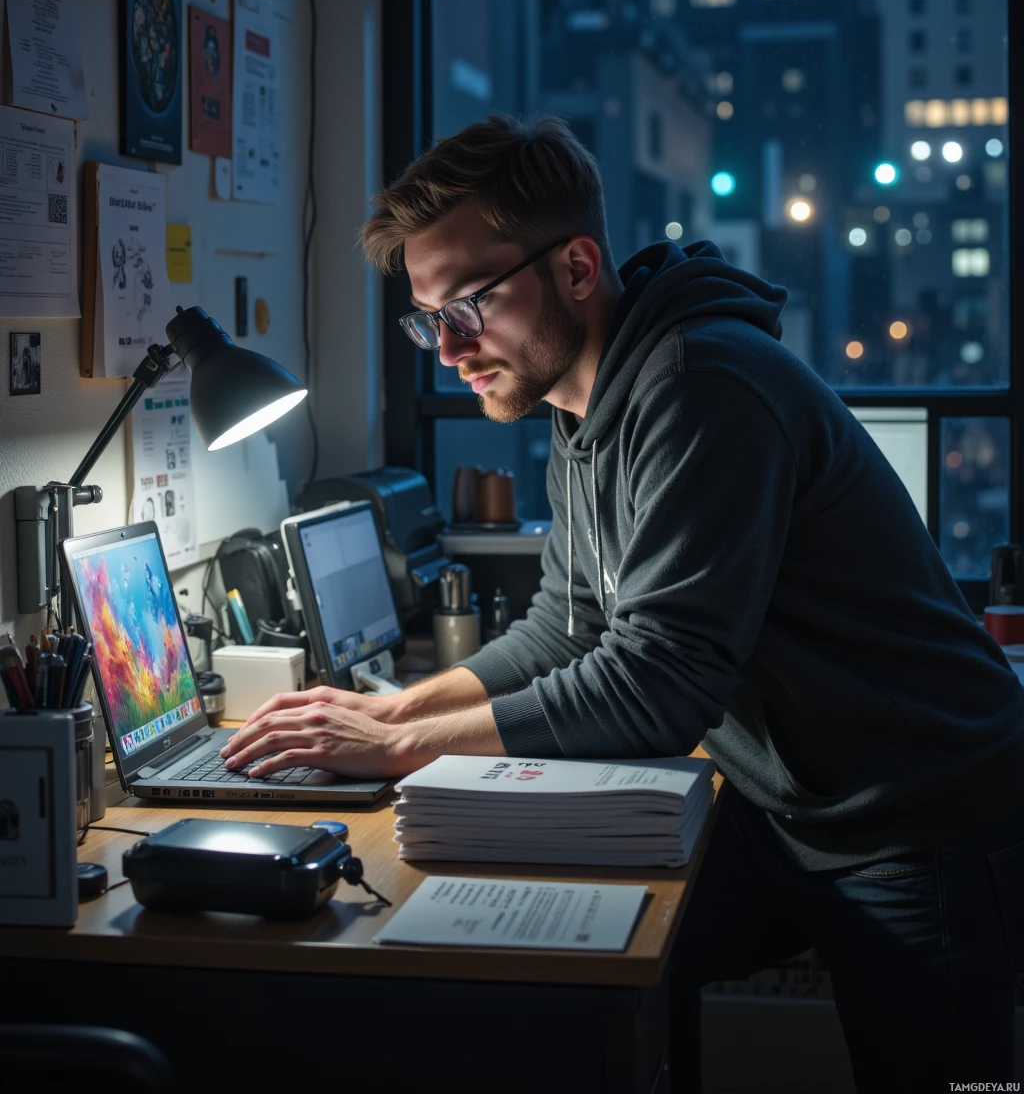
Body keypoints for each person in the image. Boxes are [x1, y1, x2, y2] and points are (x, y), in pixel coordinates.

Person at [222, 114, 1024, 1087]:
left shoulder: (700, 388)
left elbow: (658, 687)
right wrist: (396, 707)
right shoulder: (588, 405)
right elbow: (571, 626)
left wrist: (401, 747)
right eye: (427, 320)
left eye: (467, 306)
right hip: (787, 810)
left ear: (574, 267)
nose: (447, 348)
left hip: (916, 820)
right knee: (570, 994)